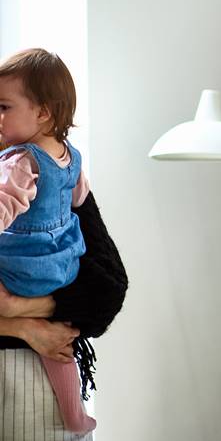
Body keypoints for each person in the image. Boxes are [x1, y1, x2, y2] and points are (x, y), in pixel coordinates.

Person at [0, 49, 95, 433]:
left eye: (4, 107)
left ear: (43, 112)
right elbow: (79, 199)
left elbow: (4, 203)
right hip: (60, 265)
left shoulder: (19, 161)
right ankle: (76, 414)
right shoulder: (70, 156)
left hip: (21, 268)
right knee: (59, 348)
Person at [0, 188, 128, 440]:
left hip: (36, 387)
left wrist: (18, 308)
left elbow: (107, 290)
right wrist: (25, 328)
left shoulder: (55, 177)